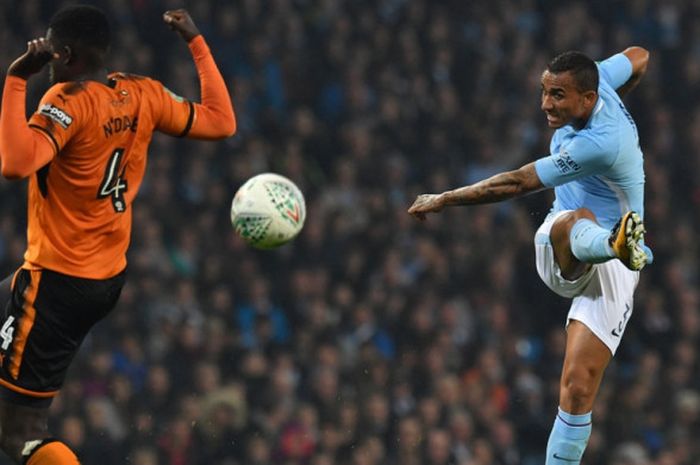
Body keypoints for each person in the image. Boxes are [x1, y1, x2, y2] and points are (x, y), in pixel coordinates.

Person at [0, 5, 235, 464]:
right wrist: (196, 42)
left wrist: (15, 80)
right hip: (105, 276)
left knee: (16, 433)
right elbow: (222, 121)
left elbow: (14, 164)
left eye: (50, 51)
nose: (46, 59)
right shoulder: (141, 93)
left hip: (57, 281)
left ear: (67, 56)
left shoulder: (65, 102)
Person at [408, 47, 650, 465]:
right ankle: (613, 243)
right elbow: (640, 55)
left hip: (619, 261)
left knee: (577, 388)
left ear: (587, 99)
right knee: (579, 218)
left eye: (557, 95)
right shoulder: (601, 83)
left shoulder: (600, 143)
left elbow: (518, 183)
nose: (545, 104)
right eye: (544, 91)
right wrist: (617, 86)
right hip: (561, 244)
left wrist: (444, 199)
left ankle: (614, 246)